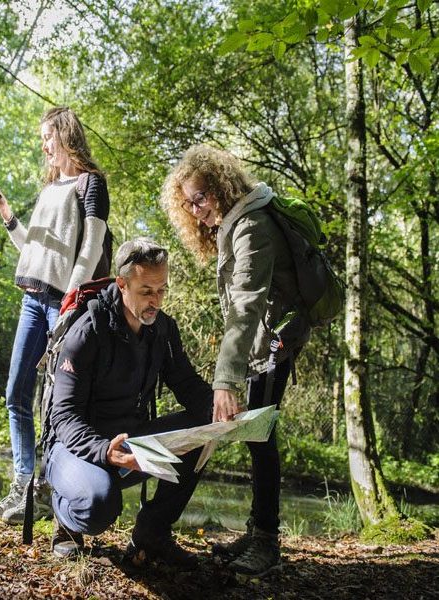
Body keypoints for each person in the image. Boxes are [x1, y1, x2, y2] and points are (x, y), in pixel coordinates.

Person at [161, 144, 309, 577]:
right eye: (188, 202)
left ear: (222, 186)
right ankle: (258, 530)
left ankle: (266, 542)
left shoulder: (251, 228)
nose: (195, 208)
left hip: (273, 345)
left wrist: (226, 379)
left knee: (260, 436)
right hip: (261, 344)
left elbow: (245, 307)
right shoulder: (235, 223)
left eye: (201, 197)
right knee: (256, 436)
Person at [45, 238, 230, 567]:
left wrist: (220, 410)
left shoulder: (163, 330)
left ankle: (152, 533)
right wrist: (105, 451)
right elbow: (63, 416)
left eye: (161, 290)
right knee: (100, 504)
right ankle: (65, 520)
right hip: (74, 447)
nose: (155, 301)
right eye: (146, 291)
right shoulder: (87, 331)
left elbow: (186, 384)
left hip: (131, 443)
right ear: (122, 284)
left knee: (204, 429)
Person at [0, 106, 110, 524]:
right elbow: (32, 253)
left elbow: (90, 250)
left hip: (63, 305)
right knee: (16, 392)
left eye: (46, 137)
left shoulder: (91, 184)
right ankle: (22, 488)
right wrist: (6, 214)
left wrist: (71, 302)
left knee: (56, 404)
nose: (43, 145)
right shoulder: (51, 187)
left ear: (65, 133)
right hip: (31, 300)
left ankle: (52, 494)